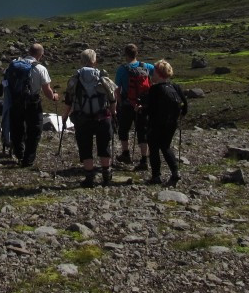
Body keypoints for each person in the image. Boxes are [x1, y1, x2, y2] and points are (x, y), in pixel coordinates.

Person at [63, 49, 118, 188]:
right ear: (95, 61)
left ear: (81, 61)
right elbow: (112, 98)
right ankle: (106, 175)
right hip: (103, 117)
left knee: (85, 146)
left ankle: (89, 177)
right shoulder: (103, 77)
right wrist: (113, 113)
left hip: (82, 118)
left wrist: (65, 115)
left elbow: (69, 99)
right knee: (104, 145)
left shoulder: (75, 78)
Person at [3, 43, 59, 167]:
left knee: (17, 128)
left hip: (16, 101)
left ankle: (19, 154)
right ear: (41, 54)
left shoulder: (15, 65)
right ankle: (28, 159)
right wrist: (54, 96)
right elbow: (47, 91)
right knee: (34, 130)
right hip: (33, 103)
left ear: (29, 52)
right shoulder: (40, 68)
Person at [144, 60, 188, 186]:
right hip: (172, 123)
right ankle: (175, 172)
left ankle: (156, 176)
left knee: (154, 148)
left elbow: (150, 109)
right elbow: (185, 106)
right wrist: (179, 116)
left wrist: (141, 109)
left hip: (156, 123)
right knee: (165, 146)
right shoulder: (175, 87)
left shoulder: (154, 89)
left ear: (159, 73)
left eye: (154, 72)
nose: (152, 74)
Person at [114, 43, 154, 171]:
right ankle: (144, 159)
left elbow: (117, 89)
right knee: (142, 131)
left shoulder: (122, 69)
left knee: (123, 129)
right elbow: (159, 74)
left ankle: (126, 153)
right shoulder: (147, 66)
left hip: (127, 104)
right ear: (136, 53)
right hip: (143, 105)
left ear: (126, 54)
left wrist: (119, 103)